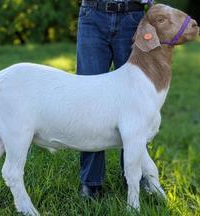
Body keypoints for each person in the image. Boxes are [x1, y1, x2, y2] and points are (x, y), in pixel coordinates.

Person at [77, 0, 147, 197]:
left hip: (133, 16)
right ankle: (91, 182)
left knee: (136, 101)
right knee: (89, 97)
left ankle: (136, 176)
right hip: (93, 14)